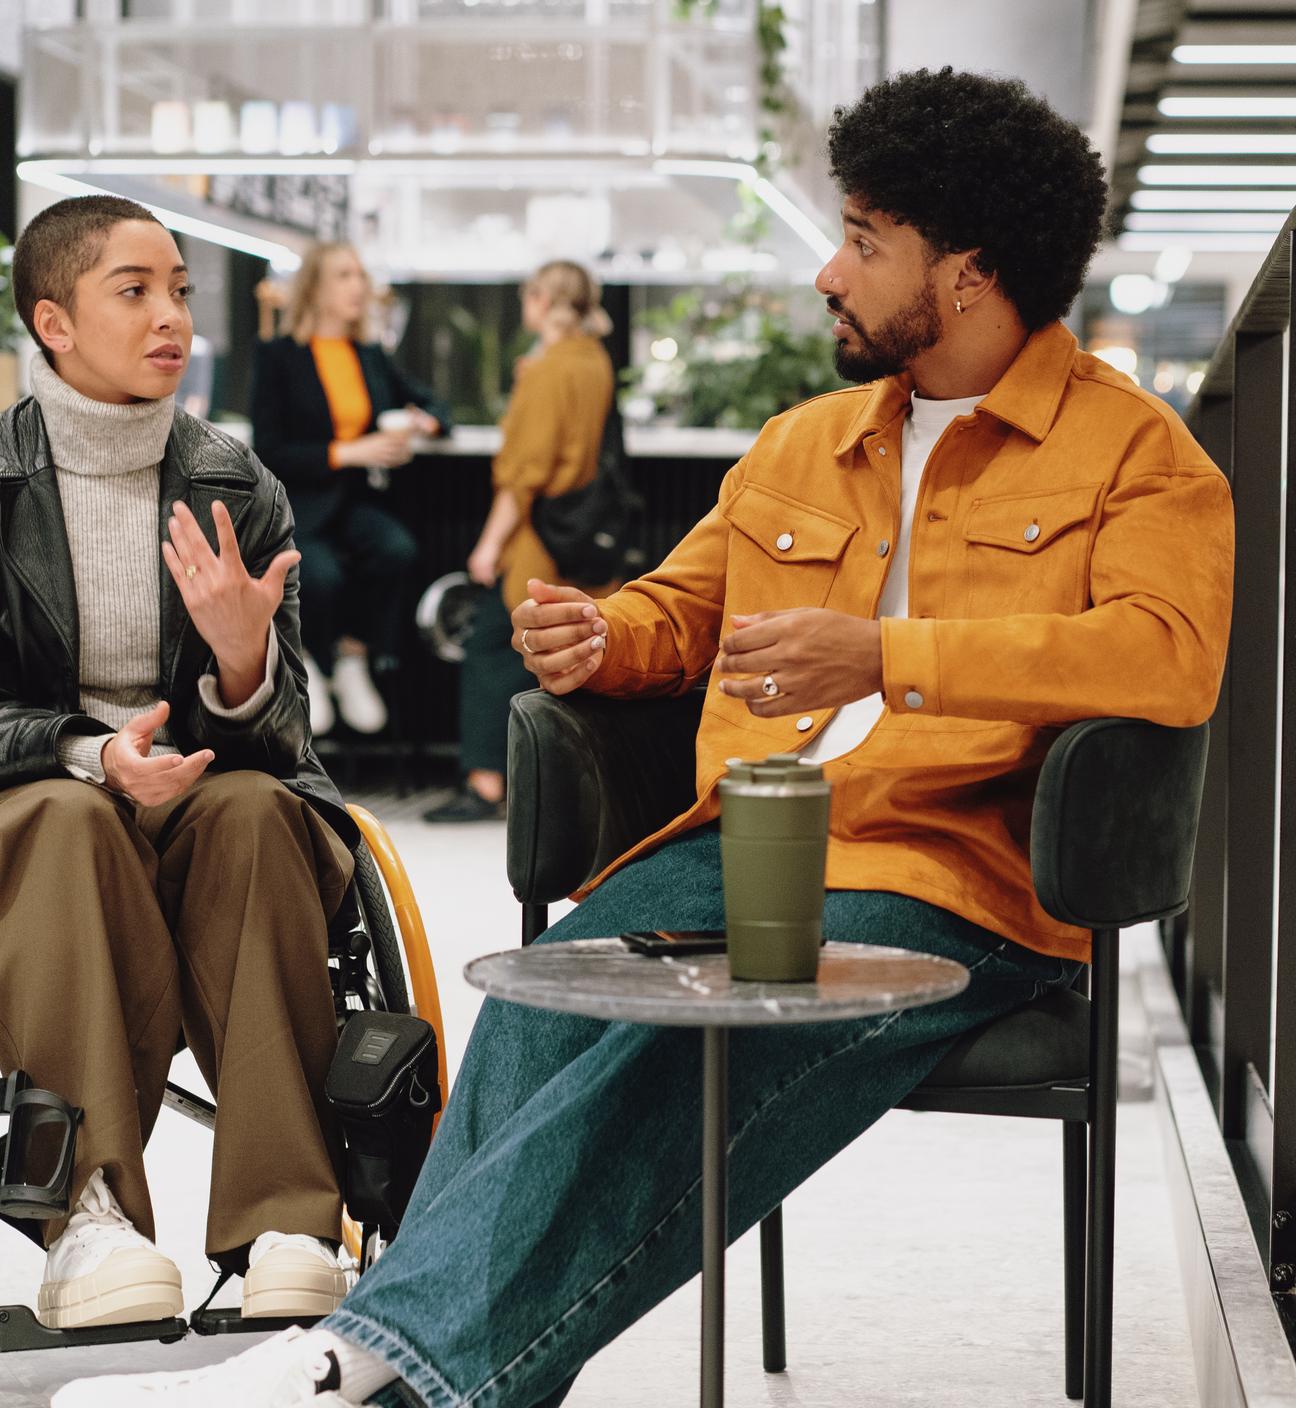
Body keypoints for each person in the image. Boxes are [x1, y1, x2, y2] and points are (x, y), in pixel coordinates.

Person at [59, 68, 1234, 1407]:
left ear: (964, 274)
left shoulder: (1140, 458)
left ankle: (352, 1367)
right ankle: (391, 1363)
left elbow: (1166, 659)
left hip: (958, 874)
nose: (828, 276)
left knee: (675, 1044)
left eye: (862, 241)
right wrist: (608, 638)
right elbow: (689, 605)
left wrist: (888, 657)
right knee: (547, 1003)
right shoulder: (807, 443)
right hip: (750, 833)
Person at [0, 196, 363, 1331]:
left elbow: (289, 741)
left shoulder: (236, 486)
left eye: (180, 292)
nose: (174, 319)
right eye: (135, 290)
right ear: (54, 322)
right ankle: (89, 1213)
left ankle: (287, 1220)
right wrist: (89, 753)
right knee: (69, 819)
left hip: (207, 809)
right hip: (41, 819)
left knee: (257, 811)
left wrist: (245, 662)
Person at [423, 259, 616, 824]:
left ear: (542, 300)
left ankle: (485, 783)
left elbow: (524, 474)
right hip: (578, 534)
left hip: (536, 538)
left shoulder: (550, 369)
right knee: (568, 655)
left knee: (490, 648)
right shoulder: (593, 360)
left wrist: (487, 547)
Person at [251, 243, 451, 737]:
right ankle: (312, 665)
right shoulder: (280, 357)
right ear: (315, 288)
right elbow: (270, 449)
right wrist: (350, 452)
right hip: (300, 505)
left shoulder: (370, 355)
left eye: (360, 275)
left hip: (356, 503)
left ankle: (353, 656)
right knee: (320, 578)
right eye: (344, 276)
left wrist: (424, 422)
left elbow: (430, 402)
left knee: (397, 550)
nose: (358, 286)